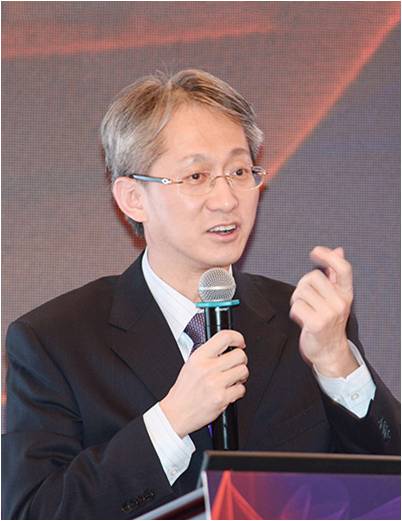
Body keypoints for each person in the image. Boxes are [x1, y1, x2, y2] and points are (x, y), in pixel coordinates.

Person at [3, 69, 400, 520]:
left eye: (239, 171)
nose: (227, 199)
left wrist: (337, 365)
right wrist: (170, 422)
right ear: (133, 198)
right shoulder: (55, 341)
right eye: (196, 176)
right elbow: (33, 512)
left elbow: (389, 492)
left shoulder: (306, 322)